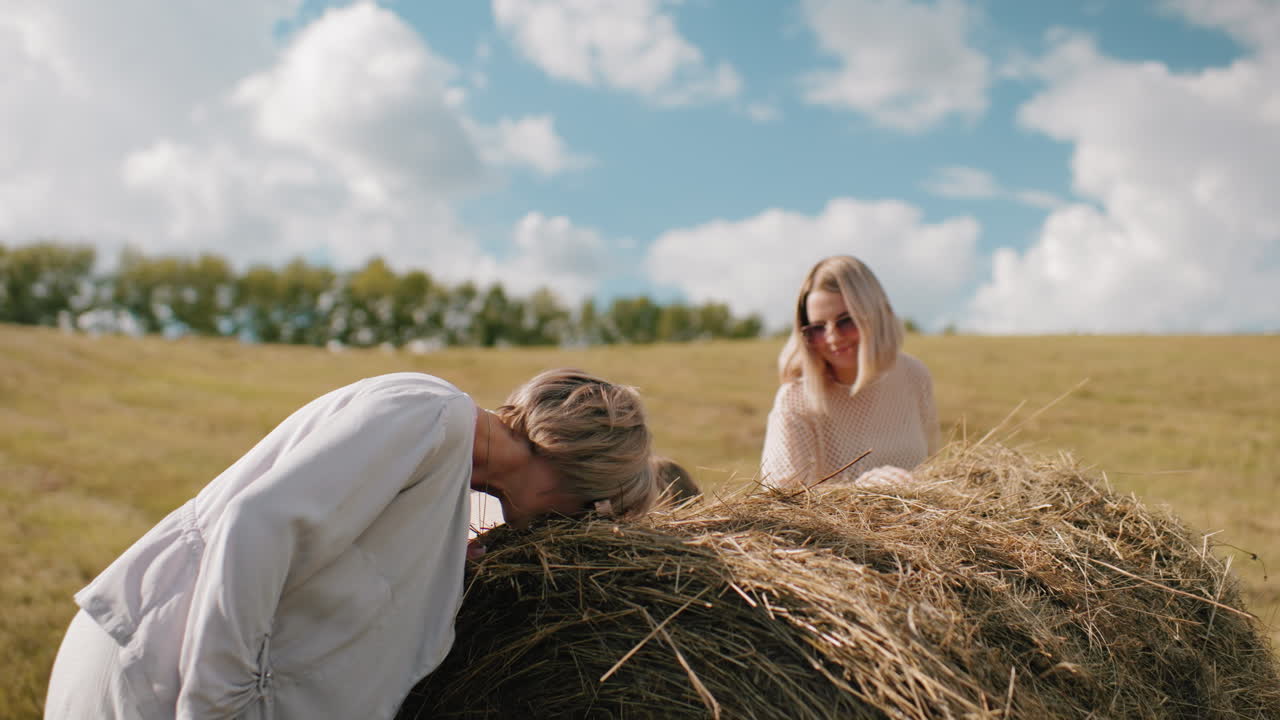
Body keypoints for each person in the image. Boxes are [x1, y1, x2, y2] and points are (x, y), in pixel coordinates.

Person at [45, 369, 656, 720]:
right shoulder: (431, 415)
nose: (575, 531)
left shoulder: (446, 487)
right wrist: (214, 708)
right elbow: (256, 527)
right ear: (580, 472)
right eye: (594, 514)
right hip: (159, 678)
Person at [761, 255, 938, 489]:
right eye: (818, 328)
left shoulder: (914, 376)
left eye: (846, 321)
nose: (833, 338)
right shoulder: (795, 400)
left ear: (875, 315)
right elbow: (780, 499)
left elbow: (933, 467)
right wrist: (856, 492)